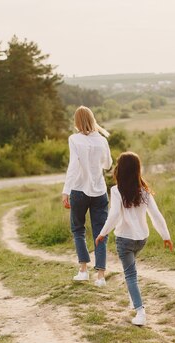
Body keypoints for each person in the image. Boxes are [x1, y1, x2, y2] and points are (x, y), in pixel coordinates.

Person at [95, 152, 173, 326]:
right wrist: (165, 236)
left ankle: (140, 311)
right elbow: (156, 216)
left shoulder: (116, 191)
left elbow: (114, 215)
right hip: (141, 239)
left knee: (130, 275)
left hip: (124, 240)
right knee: (131, 271)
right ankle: (133, 299)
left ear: (120, 170)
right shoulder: (144, 192)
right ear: (137, 170)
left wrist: (102, 233)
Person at [62, 106, 113, 287]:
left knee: (78, 230)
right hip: (99, 191)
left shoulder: (74, 139)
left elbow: (73, 166)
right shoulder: (102, 140)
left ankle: (83, 271)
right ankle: (100, 276)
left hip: (79, 190)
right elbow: (108, 165)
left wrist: (66, 190)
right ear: (92, 119)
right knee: (101, 233)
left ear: (76, 122)